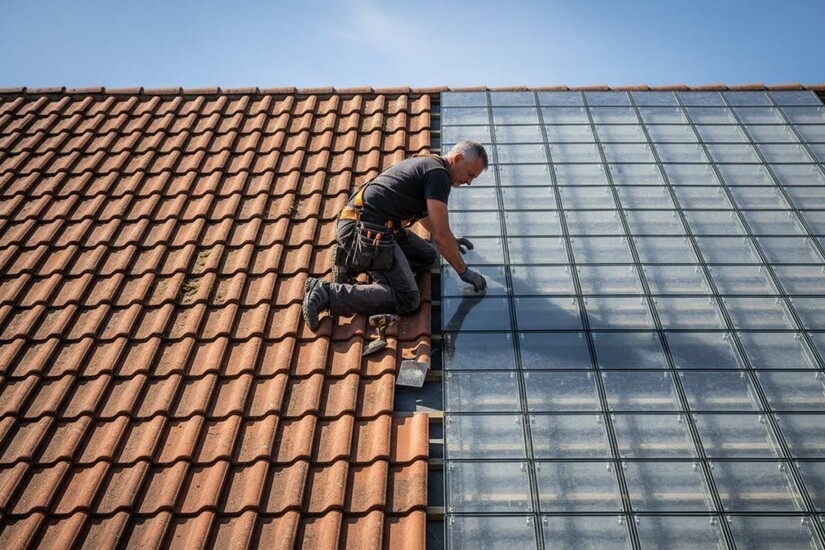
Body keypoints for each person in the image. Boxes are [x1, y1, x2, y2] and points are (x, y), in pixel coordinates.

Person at [302, 140, 489, 331]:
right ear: (457, 159)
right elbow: (441, 237)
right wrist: (465, 273)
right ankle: (326, 293)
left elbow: (428, 218)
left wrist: (452, 240)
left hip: (375, 227)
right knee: (408, 298)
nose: (469, 181)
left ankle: (349, 260)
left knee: (429, 257)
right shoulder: (438, 175)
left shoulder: (430, 163)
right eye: (470, 174)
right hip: (365, 230)